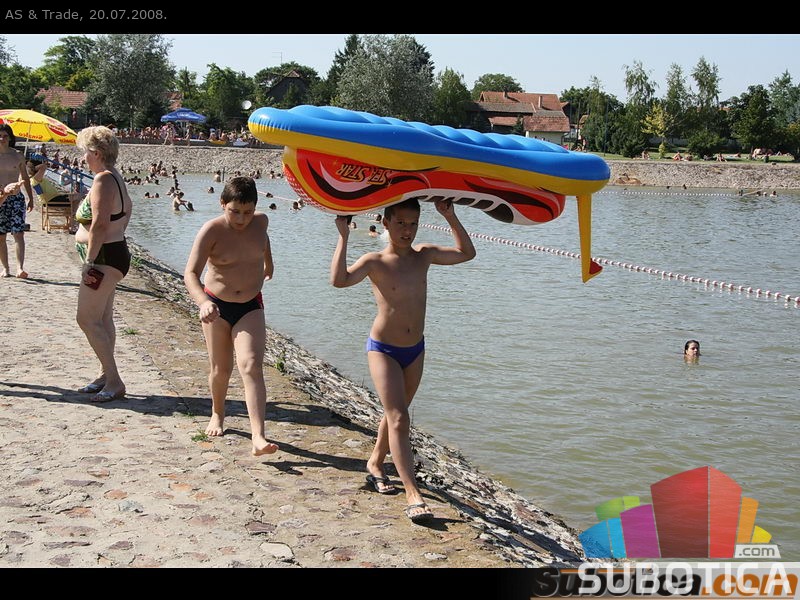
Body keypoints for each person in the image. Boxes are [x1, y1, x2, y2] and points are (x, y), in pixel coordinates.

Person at [330, 198, 476, 524]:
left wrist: (450, 215)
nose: (407, 230)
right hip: (383, 349)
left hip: (415, 349)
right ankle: (413, 493)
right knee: (398, 417)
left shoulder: (424, 256)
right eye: (400, 223)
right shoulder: (374, 261)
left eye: (413, 224)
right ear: (385, 223)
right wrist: (343, 236)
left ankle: (374, 463)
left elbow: (467, 253)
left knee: (396, 414)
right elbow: (339, 280)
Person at [183, 176, 278, 457]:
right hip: (216, 305)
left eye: (247, 212)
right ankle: (217, 413)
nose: (241, 219)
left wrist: (269, 263)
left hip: (250, 304)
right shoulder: (211, 230)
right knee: (220, 369)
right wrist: (203, 302)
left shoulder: (261, 222)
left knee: (251, 365)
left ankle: (258, 436)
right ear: (222, 203)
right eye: (234, 211)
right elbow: (190, 273)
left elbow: (263, 241)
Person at [73, 126, 133, 402]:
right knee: (103, 318)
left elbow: (99, 225)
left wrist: (90, 260)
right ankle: (104, 375)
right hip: (114, 252)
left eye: (85, 152)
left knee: (86, 318)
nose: (83, 157)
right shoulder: (114, 177)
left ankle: (114, 381)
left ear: (96, 153)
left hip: (104, 257)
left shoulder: (103, 180)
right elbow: (126, 211)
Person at [0, 124, 34, 278]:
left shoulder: (18, 155)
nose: (2, 139)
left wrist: (30, 198)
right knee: (1, 236)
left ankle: (19, 268)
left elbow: (25, 177)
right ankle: (5, 268)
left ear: (10, 138)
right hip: (1, 197)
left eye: (5, 136)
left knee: (18, 233)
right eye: (0, 136)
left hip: (16, 198)